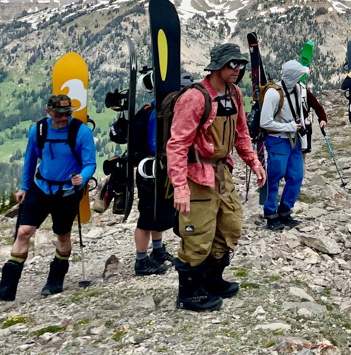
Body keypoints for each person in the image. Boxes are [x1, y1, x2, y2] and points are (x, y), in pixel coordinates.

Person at [167, 43, 265, 312]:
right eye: (233, 64)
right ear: (218, 66)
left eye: (241, 64)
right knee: (198, 234)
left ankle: (212, 279)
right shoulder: (195, 98)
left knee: (230, 226)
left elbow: (242, 132)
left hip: (224, 172)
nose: (238, 69)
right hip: (197, 175)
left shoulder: (234, 94)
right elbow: (177, 145)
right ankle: (190, 293)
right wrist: (180, 187)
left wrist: (253, 162)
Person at [0, 93, 97, 301]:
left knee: (62, 235)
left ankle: (55, 281)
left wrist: (82, 178)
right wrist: (23, 187)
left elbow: (90, 162)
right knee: (23, 232)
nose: (63, 118)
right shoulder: (38, 130)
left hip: (66, 192)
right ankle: (6, 288)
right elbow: (30, 160)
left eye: (67, 114)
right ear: (49, 112)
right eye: (59, 114)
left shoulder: (81, 132)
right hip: (41, 187)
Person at [128, 70, 191, 277]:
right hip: (150, 171)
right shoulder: (158, 113)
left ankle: (157, 250)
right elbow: (156, 144)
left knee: (159, 211)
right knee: (147, 215)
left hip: (158, 169)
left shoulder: (161, 110)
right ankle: (141, 261)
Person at [259, 60, 327, 232]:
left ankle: (285, 210)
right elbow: (265, 122)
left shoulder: (298, 90)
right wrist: (288, 127)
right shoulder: (273, 94)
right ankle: (270, 213)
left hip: (293, 140)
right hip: (277, 139)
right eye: (299, 75)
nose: (301, 78)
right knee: (275, 176)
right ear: (292, 76)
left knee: (296, 176)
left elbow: (300, 116)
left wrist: (301, 139)